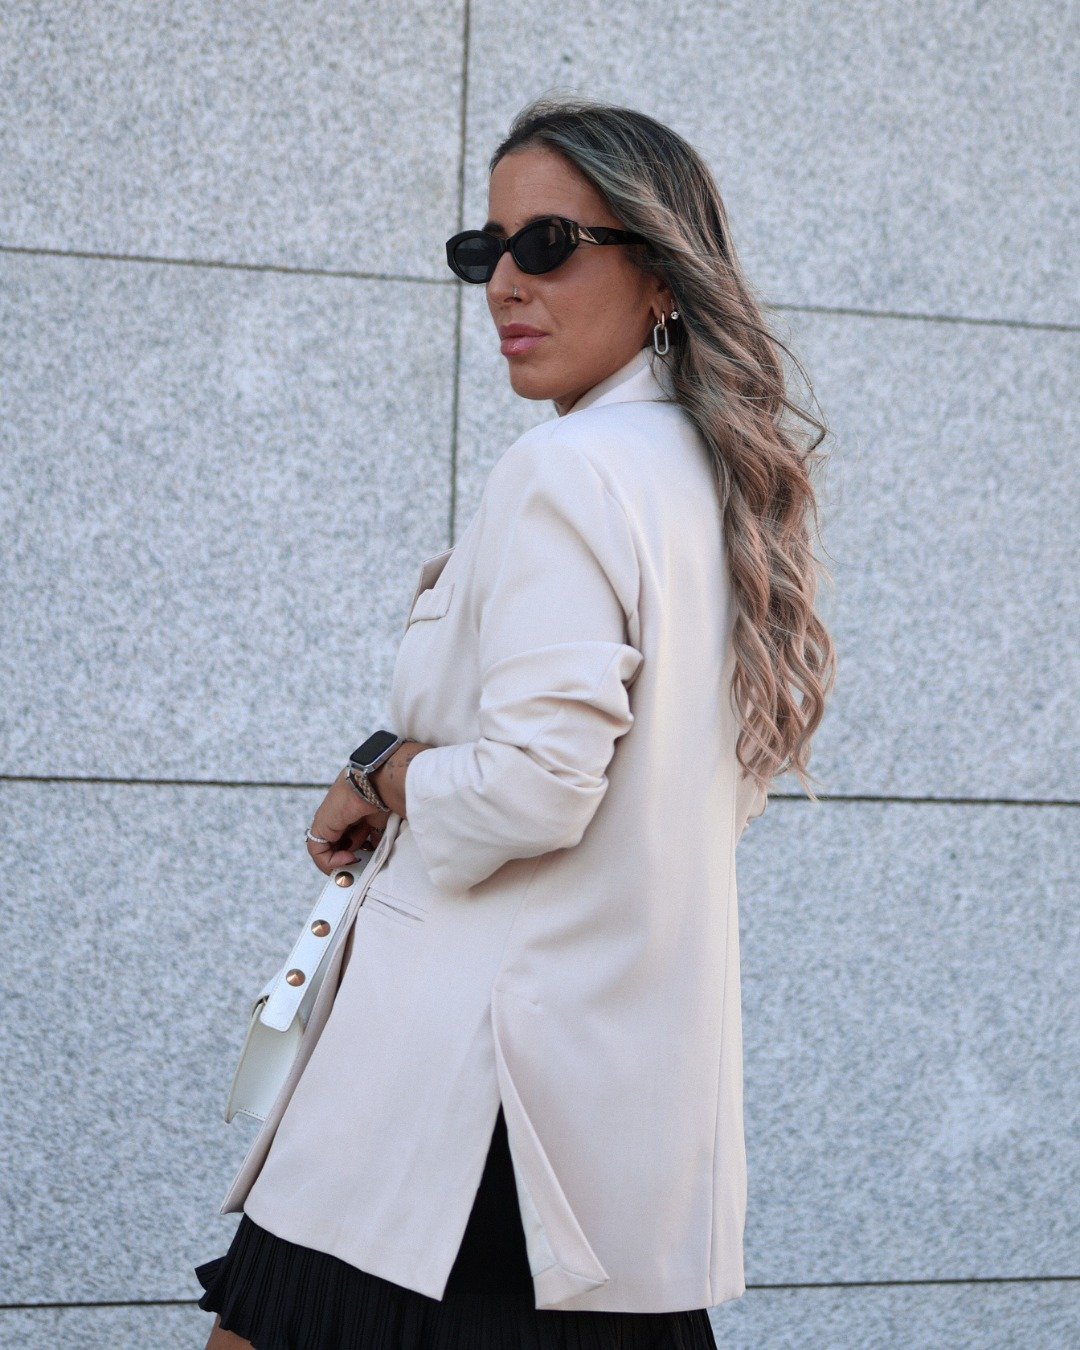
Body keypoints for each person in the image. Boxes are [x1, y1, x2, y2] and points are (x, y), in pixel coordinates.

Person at [196, 93, 836, 1349]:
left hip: (452, 1111)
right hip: (610, 1123)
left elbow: (534, 788)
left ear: (661, 272)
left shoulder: (567, 471)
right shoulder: (726, 490)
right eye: (484, 250)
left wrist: (380, 774)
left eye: (548, 244)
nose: (504, 283)